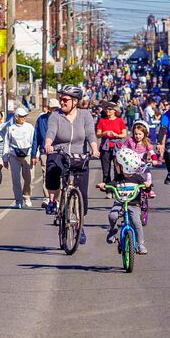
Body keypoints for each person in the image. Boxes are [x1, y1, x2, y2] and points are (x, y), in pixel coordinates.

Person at [44, 85, 101, 244]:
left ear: (75, 101)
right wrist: (48, 144)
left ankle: (79, 226)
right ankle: (53, 200)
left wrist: (94, 149)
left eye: (65, 100)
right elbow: (51, 132)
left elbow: (90, 133)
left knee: (82, 192)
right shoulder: (55, 116)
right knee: (52, 166)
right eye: (61, 99)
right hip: (59, 151)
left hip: (79, 155)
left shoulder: (85, 115)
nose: (62, 102)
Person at [98, 147, 149, 255]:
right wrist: (104, 186)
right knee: (112, 216)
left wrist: (147, 186)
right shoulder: (118, 178)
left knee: (136, 222)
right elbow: (110, 185)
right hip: (120, 203)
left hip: (133, 204)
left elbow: (146, 187)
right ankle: (113, 230)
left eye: (118, 164)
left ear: (123, 166)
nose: (117, 166)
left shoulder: (138, 178)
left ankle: (140, 244)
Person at [5, 106, 35, 208]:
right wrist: (5, 159)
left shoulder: (29, 127)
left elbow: (33, 142)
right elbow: (7, 143)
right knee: (16, 180)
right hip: (14, 156)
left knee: (29, 179)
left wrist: (35, 155)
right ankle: (18, 200)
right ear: (16, 117)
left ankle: (26, 196)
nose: (23, 118)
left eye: (24, 116)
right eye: (21, 116)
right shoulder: (10, 128)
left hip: (27, 155)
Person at [31, 98, 57, 208]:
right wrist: (33, 154)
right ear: (49, 109)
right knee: (46, 174)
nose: (55, 110)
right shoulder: (41, 119)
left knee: (58, 175)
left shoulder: (61, 119)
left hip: (58, 151)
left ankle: (57, 198)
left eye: (57, 108)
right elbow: (36, 137)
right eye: (53, 108)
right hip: (44, 151)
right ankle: (47, 197)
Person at [123, 120, 157, 198]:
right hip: (131, 163)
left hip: (141, 163)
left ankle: (149, 189)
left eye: (140, 134)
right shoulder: (130, 140)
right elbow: (123, 149)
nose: (137, 136)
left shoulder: (146, 142)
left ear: (145, 134)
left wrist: (154, 160)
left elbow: (152, 152)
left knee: (148, 174)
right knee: (129, 176)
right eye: (136, 134)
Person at [96, 102, 128, 183]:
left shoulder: (120, 121)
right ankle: (108, 190)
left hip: (117, 147)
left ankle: (117, 187)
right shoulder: (102, 121)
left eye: (110, 109)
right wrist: (104, 133)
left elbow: (124, 134)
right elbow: (98, 134)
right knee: (106, 171)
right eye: (106, 108)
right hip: (105, 147)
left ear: (114, 111)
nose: (107, 110)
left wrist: (116, 135)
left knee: (118, 170)